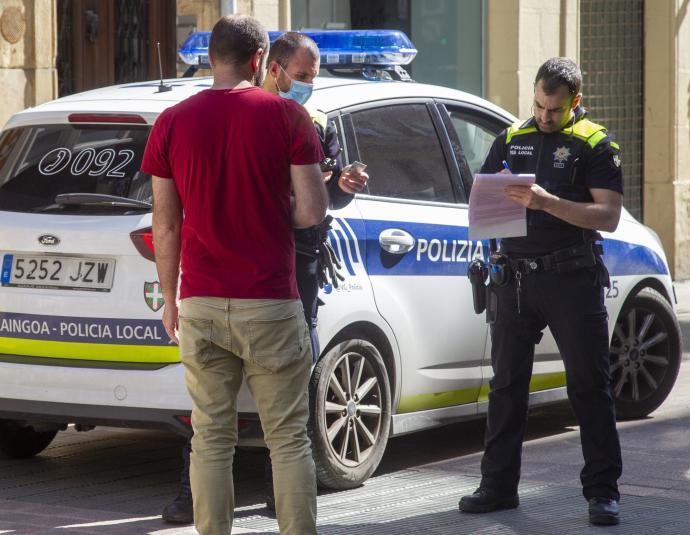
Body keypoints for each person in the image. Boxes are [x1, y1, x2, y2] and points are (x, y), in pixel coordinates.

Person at [160, 31, 369, 524]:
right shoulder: (288, 117)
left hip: (202, 301)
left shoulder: (172, 121)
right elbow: (313, 212)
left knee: (211, 436)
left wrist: (170, 299)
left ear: (210, 58)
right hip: (270, 301)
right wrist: (273, 207)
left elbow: (165, 224)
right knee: (288, 438)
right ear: (260, 60)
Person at [458, 57, 623, 526]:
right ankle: (497, 486)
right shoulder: (513, 138)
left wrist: (546, 202)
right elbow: (484, 196)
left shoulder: (595, 143)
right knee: (506, 386)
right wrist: (485, 215)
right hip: (514, 279)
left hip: (572, 277)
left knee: (589, 386)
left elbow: (607, 215)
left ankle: (602, 492)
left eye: (554, 109)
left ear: (576, 101)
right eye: (538, 105)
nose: (544, 116)